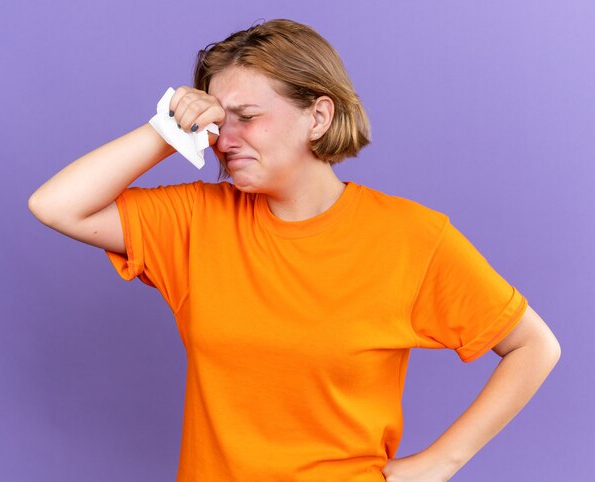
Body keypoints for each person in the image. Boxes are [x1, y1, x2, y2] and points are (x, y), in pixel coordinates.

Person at [28, 18, 561, 482]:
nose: (222, 137)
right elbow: (56, 206)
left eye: (246, 115)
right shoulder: (195, 220)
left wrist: (440, 463)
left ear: (319, 116)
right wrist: (163, 130)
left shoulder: (413, 238)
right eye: (215, 118)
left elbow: (534, 346)